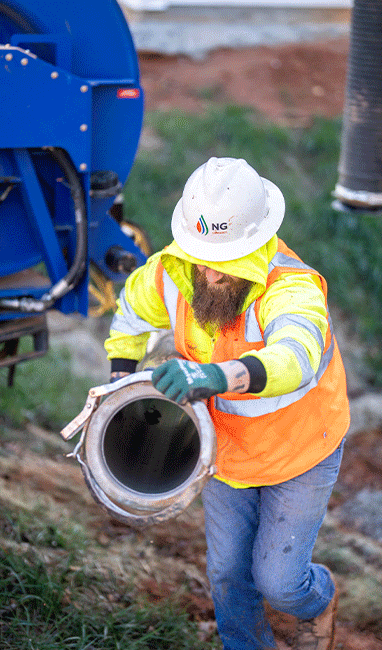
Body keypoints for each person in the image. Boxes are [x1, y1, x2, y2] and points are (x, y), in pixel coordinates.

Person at [104, 157, 350, 650]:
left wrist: (213, 376)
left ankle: (317, 599)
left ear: (257, 243)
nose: (210, 275)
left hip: (300, 451)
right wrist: (119, 383)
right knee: (228, 574)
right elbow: (130, 314)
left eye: (224, 262)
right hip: (228, 454)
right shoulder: (175, 272)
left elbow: (294, 357)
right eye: (201, 257)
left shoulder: (293, 289)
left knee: (278, 581)